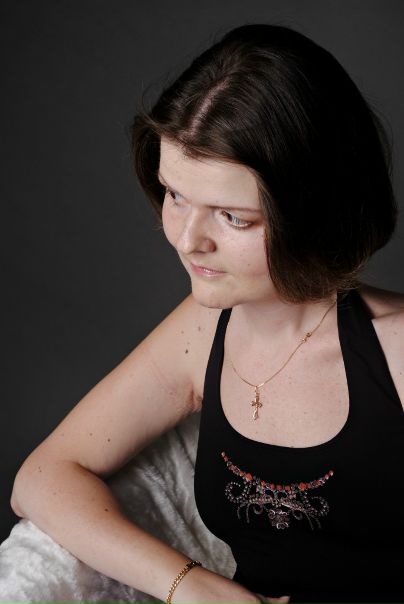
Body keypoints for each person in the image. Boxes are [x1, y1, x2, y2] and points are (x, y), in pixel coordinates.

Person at [10, 22, 404, 604]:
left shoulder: (396, 352)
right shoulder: (201, 330)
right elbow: (41, 478)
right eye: (175, 195)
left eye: (233, 217)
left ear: (317, 214)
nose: (187, 239)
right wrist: (189, 585)